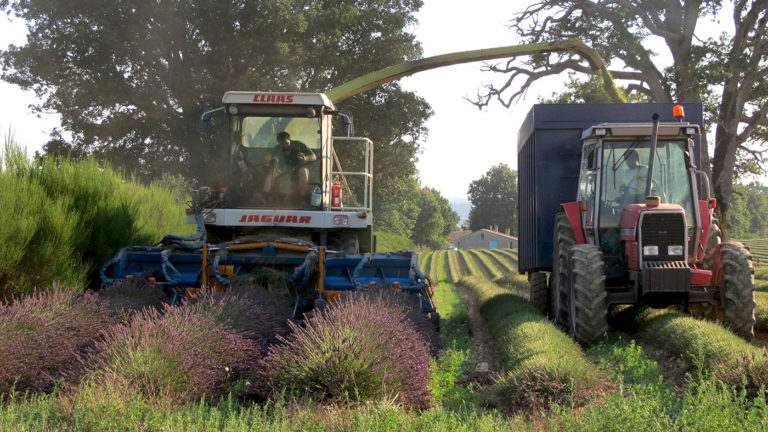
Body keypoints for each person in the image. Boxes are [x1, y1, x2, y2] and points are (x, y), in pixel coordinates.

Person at [263, 131, 317, 204]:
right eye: (282, 144)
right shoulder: (277, 148)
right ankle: (265, 198)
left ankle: (303, 198)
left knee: (303, 171)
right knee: (270, 175)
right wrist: (269, 162)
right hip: (282, 170)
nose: (284, 145)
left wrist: (305, 158)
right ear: (279, 143)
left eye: (286, 143)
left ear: (289, 139)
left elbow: (314, 157)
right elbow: (268, 160)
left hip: (298, 169)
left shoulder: (299, 145)